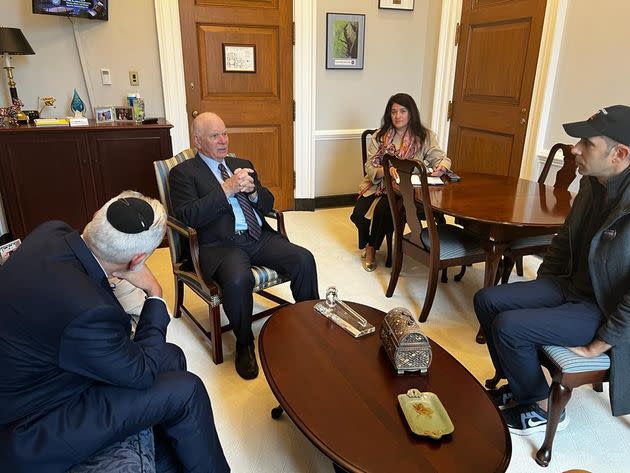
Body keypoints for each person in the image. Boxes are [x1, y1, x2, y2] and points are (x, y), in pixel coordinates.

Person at [0, 191, 230, 473]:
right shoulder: (89, 311)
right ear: (137, 261)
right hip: (32, 425)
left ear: (97, 219)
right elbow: (142, 371)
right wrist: (154, 292)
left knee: (171, 356)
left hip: (45, 374)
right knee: (187, 389)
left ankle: (168, 457)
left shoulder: (51, 231)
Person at [474, 105, 630, 435]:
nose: (574, 149)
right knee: (487, 300)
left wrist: (597, 346)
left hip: (604, 309)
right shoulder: (592, 183)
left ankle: (543, 407)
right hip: (570, 286)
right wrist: (541, 292)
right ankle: (518, 385)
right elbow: (564, 239)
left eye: (587, 143)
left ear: (620, 154)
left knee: (509, 326)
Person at [169, 112, 319, 380]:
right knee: (238, 280)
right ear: (197, 141)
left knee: (303, 259)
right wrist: (225, 189)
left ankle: (310, 324)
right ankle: (244, 343)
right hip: (220, 245)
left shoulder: (242, 163)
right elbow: (188, 215)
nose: (223, 140)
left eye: (225, 133)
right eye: (215, 135)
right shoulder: (183, 173)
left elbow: (268, 203)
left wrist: (252, 192)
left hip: (257, 235)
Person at [350, 93, 452, 271]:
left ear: (411, 113)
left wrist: (442, 167)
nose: (397, 116)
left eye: (402, 111)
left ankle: (372, 247)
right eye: (393, 112)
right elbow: (370, 167)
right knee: (359, 214)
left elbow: (441, 158)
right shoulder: (380, 137)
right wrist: (386, 171)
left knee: (383, 210)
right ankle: (369, 242)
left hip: (407, 189)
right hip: (379, 185)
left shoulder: (425, 136)